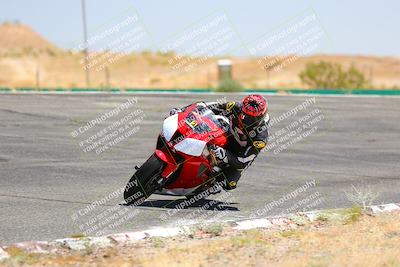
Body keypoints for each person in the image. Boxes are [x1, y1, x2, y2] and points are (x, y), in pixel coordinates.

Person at [169, 94, 269, 191]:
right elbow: (205, 106)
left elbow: (244, 161)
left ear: (261, 116)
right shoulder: (235, 107)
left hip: (238, 153)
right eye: (245, 115)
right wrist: (182, 111)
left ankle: (210, 184)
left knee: (229, 183)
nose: (246, 120)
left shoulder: (260, 137)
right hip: (227, 134)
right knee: (205, 124)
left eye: (252, 118)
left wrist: (226, 155)